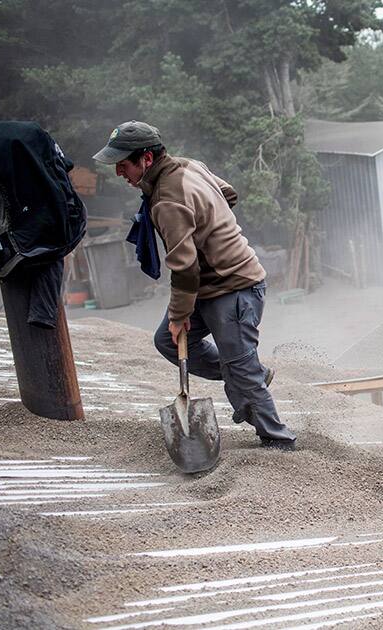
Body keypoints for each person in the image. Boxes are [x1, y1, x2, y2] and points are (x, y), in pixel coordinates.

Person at [93, 121, 296, 449]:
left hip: (235, 286)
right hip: (209, 285)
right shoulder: (189, 165)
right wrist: (206, 223)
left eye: (123, 164)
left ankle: (278, 439)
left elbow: (184, 267)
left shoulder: (167, 200)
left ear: (146, 159)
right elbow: (228, 192)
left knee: (239, 369)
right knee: (169, 342)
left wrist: (179, 315)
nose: (118, 171)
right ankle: (248, 372)